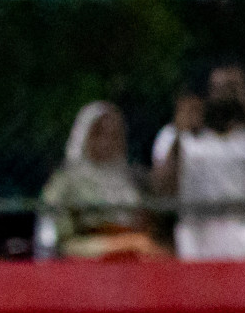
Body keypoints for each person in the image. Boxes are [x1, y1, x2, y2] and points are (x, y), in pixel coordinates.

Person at [152, 63, 245, 261]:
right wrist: (179, 137)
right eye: (219, 90)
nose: (226, 99)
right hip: (195, 241)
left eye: (234, 90)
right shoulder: (173, 136)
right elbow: (161, 191)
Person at [39, 101, 165, 259]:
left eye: (114, 135)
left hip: (134, 262)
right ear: (84, 135)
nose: (107, 142)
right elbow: (61, 244)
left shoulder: (131, 180)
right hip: (88, 266)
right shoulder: (66, 183)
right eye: (99, 133)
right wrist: (122, 246)